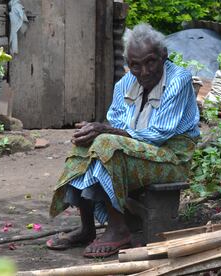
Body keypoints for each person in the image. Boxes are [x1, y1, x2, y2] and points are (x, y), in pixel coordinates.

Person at [46, 23, 200, 258]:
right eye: (136, 65)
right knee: (86, 143)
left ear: (163, 56)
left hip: (172, 159)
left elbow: (159, 134)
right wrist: (98, 132)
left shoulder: (179, 80)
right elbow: (115, 124)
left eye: (151, 62)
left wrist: (107, 133)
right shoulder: (125, 84)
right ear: (129, 64)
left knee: (107, 144)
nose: (144, 71)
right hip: (139, 152)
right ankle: (87, 228)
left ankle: (118, 229)